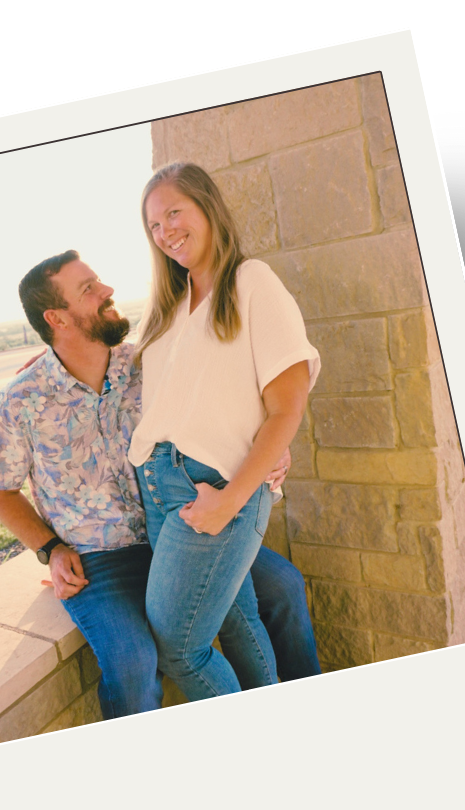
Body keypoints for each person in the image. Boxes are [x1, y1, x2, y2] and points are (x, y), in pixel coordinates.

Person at [0, 249, 319, 721]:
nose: (108, 291)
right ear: (57, 318)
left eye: (98, 281)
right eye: (89, 289)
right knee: (134, 661)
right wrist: (50, 549)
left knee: (282, 586)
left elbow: (226, 402)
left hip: (180, 528)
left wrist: (271, 448)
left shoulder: (149, 362)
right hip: (101, 559)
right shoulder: (20, 401)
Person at [128, 163, 321, 703]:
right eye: (153, 225)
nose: (164, 232)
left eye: (173, 213)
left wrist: (231, 500)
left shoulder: (251, 282)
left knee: (179, 649)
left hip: (216, 488)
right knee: (238, 627)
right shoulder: (169, 305)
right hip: (159, 486)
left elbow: (286, 409)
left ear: (207, 207)